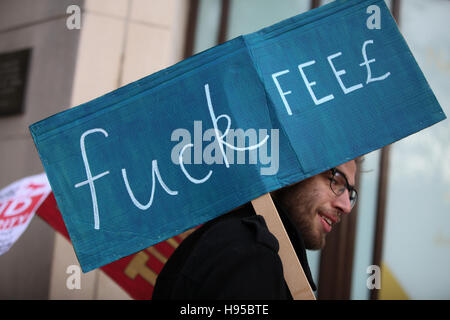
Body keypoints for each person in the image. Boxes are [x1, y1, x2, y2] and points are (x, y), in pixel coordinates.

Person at [152, 160, 357, 299]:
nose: (346, 206)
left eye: (351, 193)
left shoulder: (243, 243)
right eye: (336, 180)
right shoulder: (252, 253)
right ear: (294, 170)